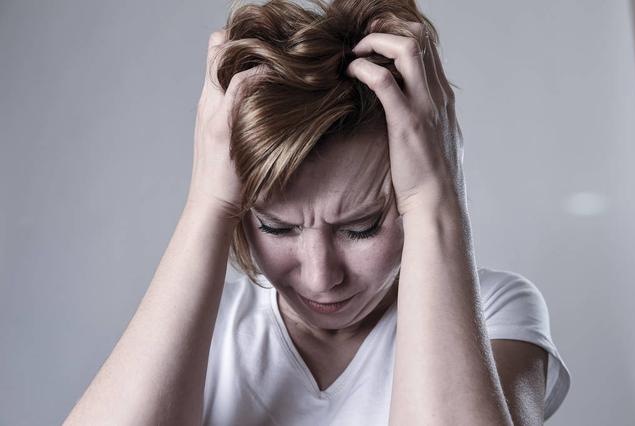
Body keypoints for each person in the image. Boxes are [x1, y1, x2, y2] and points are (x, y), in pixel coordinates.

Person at [64, 1, 571, 425]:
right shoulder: (204, 322)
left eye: (360, 227)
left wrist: (436, 199)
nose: (321, 276)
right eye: (276, 227)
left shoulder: (494, 311)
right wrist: (208, 203)